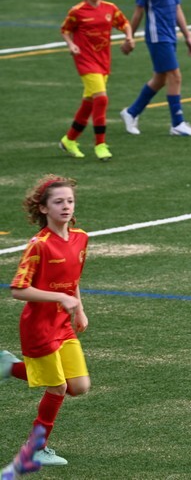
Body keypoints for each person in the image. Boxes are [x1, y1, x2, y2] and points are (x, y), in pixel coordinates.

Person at [1, 175, 92, 467]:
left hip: (63, 325)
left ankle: (9, 367)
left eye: (70, 201)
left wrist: (79, 309)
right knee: (58, 388)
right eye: (58, 202)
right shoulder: (38, 245)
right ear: (43, 208)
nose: (66, 206)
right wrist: (60, 298)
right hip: (39, 327)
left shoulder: (81, 238)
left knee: (79, 386)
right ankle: (34, 449)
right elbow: (18, 289)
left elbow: (73, 279)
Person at [119, 0, 191, 137]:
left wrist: (187, 36)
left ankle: (131, 112)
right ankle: (177, 123)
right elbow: (138, 12)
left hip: (170, 35)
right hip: (157, 37)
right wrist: (129, 37)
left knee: (160, 79)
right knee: (175, 76)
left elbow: (177, 8)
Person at [58, 0, 134, 161]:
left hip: (103, 61)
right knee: (101, 99)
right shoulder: (77, 11)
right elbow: (65, 30)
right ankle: (100, 144)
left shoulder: (110, 8)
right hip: (85, 60)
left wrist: (129, 37)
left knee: (89, 103)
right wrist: (71, 44)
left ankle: (69, 140)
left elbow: (125, 23)